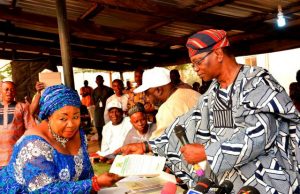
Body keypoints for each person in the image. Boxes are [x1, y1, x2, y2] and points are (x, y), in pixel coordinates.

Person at [115, 29, 300, 193]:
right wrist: (147, 146)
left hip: (268, 182)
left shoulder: (258, 82)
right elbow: (188, 123)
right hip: (231, 183)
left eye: (198, 62)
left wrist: (207, 153)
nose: (195, 69)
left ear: (218, 53)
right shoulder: (213, 92)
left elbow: (260, 135)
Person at [0, 84, 120, 193]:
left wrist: (93, 187)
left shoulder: (78, 133)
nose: (71, 124)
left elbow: (86, 172)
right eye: (63, 118)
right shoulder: (33, 145)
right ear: (49, 116)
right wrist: (94, 184)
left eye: (76, 116)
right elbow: (44, 190)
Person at [134, 67, 200, 139]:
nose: (147, 99)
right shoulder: (193, 93)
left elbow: (160, 145)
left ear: (159, 90)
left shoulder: (167, 109)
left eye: (148, 94)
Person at [0, 81, 36, 169]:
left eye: (12, 90)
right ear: (1, 91)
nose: (9, 92)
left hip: (17, 156)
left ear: (15, 92)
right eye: (6, 89)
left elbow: (31, 129)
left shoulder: (22, 107)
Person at [92, 75, 114, 146]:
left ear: (103, 81)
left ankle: (109, 144)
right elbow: (94, 102)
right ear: (96, 81)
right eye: (97, 80)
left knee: (109, 128)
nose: (99, 82)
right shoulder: (94, 91)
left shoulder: (109, 90)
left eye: (100, 80)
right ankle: (100, 145)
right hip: (98, 112)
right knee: (99, 128)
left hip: (107, 111)